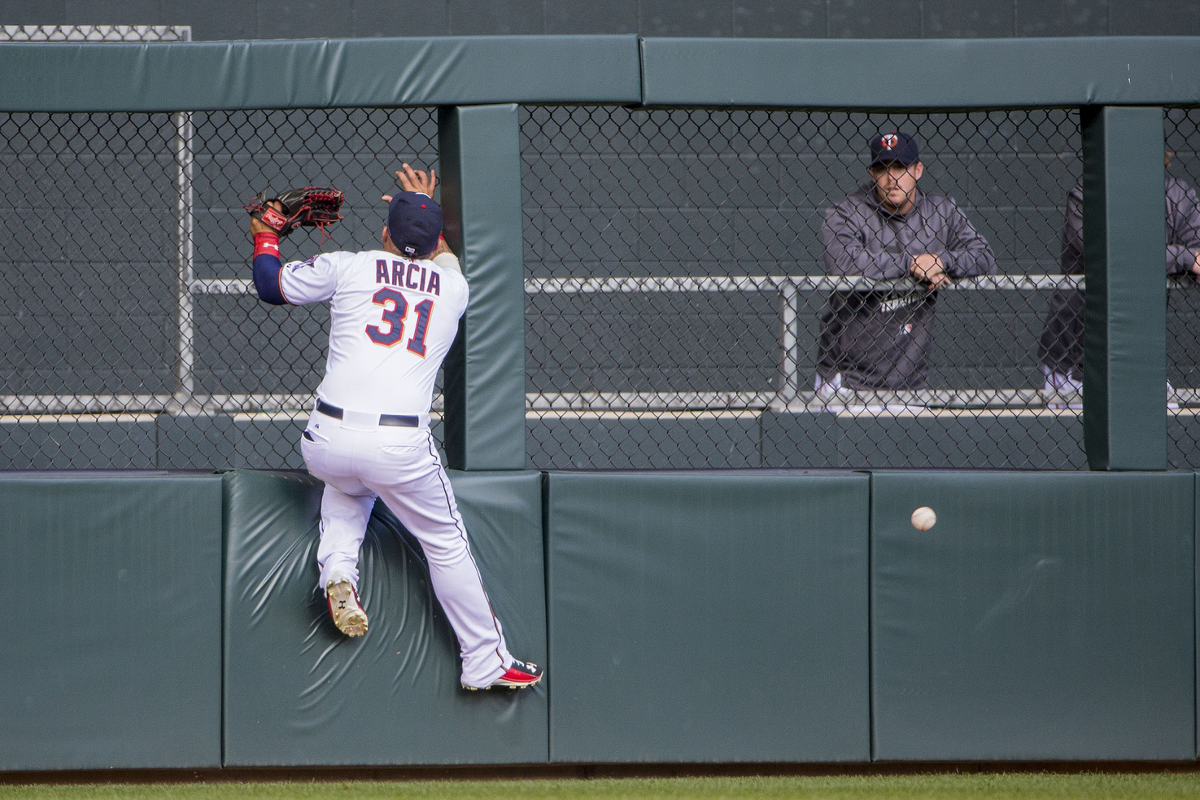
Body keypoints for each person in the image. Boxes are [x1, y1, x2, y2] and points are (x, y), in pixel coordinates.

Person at [248, 164, 542, 692]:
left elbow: (269, 287)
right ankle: (483, 659)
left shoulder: (350, 267)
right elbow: (440, 253)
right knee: (445, 542)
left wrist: (266, 233)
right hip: (398, 446)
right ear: (433, 245)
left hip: (328, 440)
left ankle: (339, 571)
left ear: (384, 232)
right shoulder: (453, 288)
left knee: (347, 483)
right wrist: (424, 211)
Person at [816, 131, 998, 392]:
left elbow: (985, 257)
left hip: (911, 381)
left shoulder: (941, 211)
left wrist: (941, 261)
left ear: (918, 170)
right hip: (846, 378)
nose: (892, 179)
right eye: (883, 169)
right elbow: (843, 264)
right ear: (872, 173)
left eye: (901, 167)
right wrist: (912, 264)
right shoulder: (847, 212)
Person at [1038, 154, 1200, 399]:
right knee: (1075, 434)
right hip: (1074, 352)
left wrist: (1186, 257)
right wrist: (1183, 258)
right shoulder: (1086, 194)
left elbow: (1198, 251)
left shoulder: (1177, 194)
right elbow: (1109, 255)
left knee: (1155, 425)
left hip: (1139, 351)